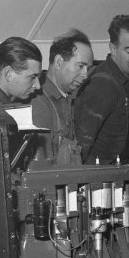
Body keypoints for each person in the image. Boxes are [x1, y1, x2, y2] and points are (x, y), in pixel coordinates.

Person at [74, 15, 129, 164]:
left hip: (120, 173)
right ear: (113, 49)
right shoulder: (102, 85)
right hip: (101, 179)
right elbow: (82, 145)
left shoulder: (124, 76)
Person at [29, 29, 94, 164]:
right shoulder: (39, 103)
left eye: (88, 68)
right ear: (58, 62)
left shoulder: (67, 98)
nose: (85, 75)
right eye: (81, 66)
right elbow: (41, 167)